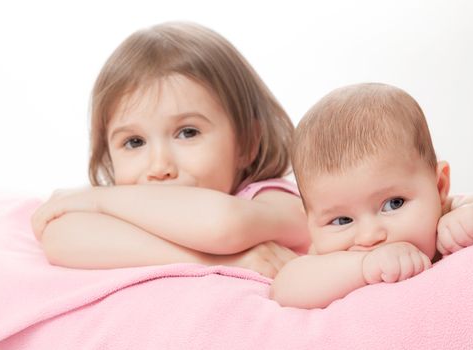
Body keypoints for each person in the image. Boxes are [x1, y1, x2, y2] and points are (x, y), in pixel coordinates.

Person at [31, 22, 311, 278]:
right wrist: (225, 261)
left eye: (188, 132)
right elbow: (60, 238)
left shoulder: (273, 198)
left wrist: (99, 200)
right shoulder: (131, 207)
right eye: (134, 142)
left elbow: (224, 225)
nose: (159, 166)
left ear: (247, 143)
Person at [270, 82, 473, 308]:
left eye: (393, 204)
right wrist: (364, 267)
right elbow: (283, 289)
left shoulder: (450, 217)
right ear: (309, 221)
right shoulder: (328, 259)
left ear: (439, 186)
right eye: (342, 220)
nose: (370, 236)